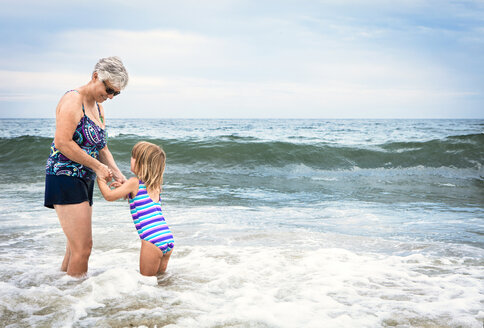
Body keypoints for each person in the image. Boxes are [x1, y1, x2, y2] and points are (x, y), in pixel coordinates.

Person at [44, 56, 129, 277]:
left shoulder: (99, 108)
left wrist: (117, 173)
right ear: (95, 77)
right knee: (84, 248)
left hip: (84, 178)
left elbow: (102, 147)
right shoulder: (73, 100)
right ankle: (76, 300)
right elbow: (62, 142)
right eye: (109, 89)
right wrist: (98, 168)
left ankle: (60, 293)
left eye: (116, 93)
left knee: (75, 247)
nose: (110, 96)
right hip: (64, 176)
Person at [97, 141, 174, 276]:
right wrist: (124, 187)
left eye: (134, 157)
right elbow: (140, 198)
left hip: (152, 240)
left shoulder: (134, 182)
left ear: (142, 163)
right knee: (160, 281)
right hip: (166, 237)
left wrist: (101, 179)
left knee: (146, 282)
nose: (131, 159)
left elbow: (109, 196)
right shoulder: (156, 186)